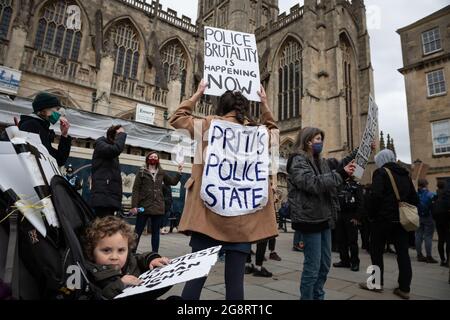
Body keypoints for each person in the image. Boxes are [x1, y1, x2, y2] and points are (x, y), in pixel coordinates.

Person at [169, 81, 278, 300]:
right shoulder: (259, 132)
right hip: (243, 219)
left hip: (207, 216)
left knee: (195, 279)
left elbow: (177, 118)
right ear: (244, 108)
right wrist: (265, 105)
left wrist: (197, 93)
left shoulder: (208, 125)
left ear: (222, 106)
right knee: (235, 284)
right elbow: (274, 131)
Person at [287, 127, 356, 300]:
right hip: (309, 219)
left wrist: (359, 151)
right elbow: (311, 183)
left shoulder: (320, 161)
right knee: (312, 267)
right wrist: (341, 173)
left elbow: (339, 165)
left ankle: (318, 296)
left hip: (325, 218)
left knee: (324, 265)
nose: (321, 142)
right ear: (308, 141)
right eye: (318, 139)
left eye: (321, 139)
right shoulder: (297, 160)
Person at [359, 149, 419, 300]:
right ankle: (404, 288)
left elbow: (375, 196)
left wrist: (371, 215)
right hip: (401, 221)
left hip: (383, 220)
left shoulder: (381, 172)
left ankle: (376, 283)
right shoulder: (405, 174)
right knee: (403, 254)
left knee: (376, 251)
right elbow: (414, 198)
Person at [82, 216, 170, 299]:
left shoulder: (129, 260)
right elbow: (101, 295)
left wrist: (151, 259)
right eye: (106, 250)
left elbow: (139, 258)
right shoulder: (91, 274)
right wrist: (120, 284)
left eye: (121, 250)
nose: (114, 257)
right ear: (92, 251)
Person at [130, 152, 182, 253]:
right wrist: (134, 206)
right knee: (137, 231)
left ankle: (155, 253)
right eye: (151, 156)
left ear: (158, 160)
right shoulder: (141, 172)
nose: (153, 158)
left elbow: (172, 182)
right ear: (147, 158)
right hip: (143, 207)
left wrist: (179, 172)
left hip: (158, 207)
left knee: (155, 233)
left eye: (155, 157)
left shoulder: (162, 172)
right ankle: (132, 253)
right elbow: (136, 189)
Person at [18, 92, 71, 166]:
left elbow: (59, 160)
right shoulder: (31, 125)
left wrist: (64, 134)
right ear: (44, 111)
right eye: (57, 109)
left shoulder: (43, 127)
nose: (59, 113)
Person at [90, 125, 127, 218]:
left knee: (107, 227)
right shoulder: (101, 143)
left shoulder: (110, 151)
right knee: (103, 226)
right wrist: (122, 134)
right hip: (103, 196)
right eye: (119, 135)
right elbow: (115, 150)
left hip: (110, 196)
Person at [333, 178, 363, 272]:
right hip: (340, 214)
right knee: (341, 240)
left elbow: (360, 202)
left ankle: (355, 262)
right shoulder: (339, 183)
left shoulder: (356, 185)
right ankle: (344, 260)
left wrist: (357, 217)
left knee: (352, 241)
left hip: (351, 215)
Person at [415, 179, 438, 263]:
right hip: (428, 217)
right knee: (428, 237)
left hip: (418, 217)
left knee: (418, 235)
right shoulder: (430, 194)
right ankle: (429, 256)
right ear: (426, 184)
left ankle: (419, 255)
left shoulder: (416, 194)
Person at [431, 181, 450, 267]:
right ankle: (448, 261)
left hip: (438, 221)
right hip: (447, 220)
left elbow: (431, 209)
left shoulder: (435, 196)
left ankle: (442, 260)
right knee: (448, 240)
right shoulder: (447, 195)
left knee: (441, 240)